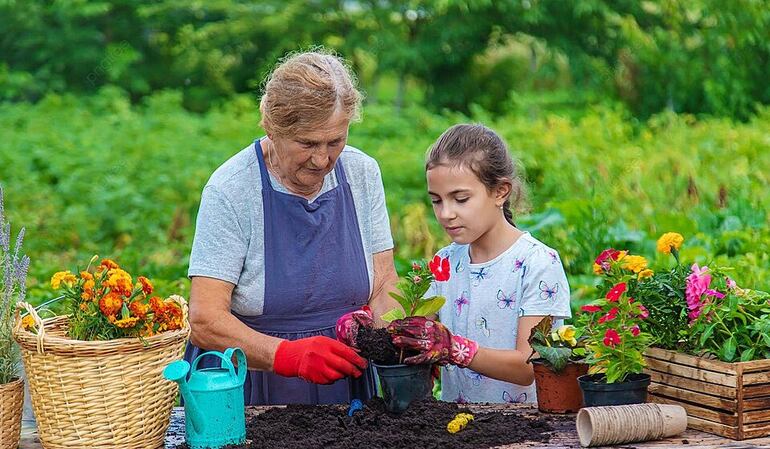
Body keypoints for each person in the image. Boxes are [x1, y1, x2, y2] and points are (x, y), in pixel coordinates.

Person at [185, 50, 399, 405]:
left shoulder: (362, 174)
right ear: (273, 128)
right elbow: (205, 319)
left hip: (346, 381)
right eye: (308, 143)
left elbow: (383, 281)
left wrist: (394, 342)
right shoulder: (232, 189)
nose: (322, 159)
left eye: (336, 141)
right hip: (254, 386)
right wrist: (287, 356)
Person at [387, 124, 572, 404]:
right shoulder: (445, 262)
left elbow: (529, 366)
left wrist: (454, 349)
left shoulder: (537, 263)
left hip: (524, 427)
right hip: (456, 423)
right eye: (436, 201)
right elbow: (413, 339)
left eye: (461, 199)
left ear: (500, 192)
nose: (446, 214)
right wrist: (375, 330)